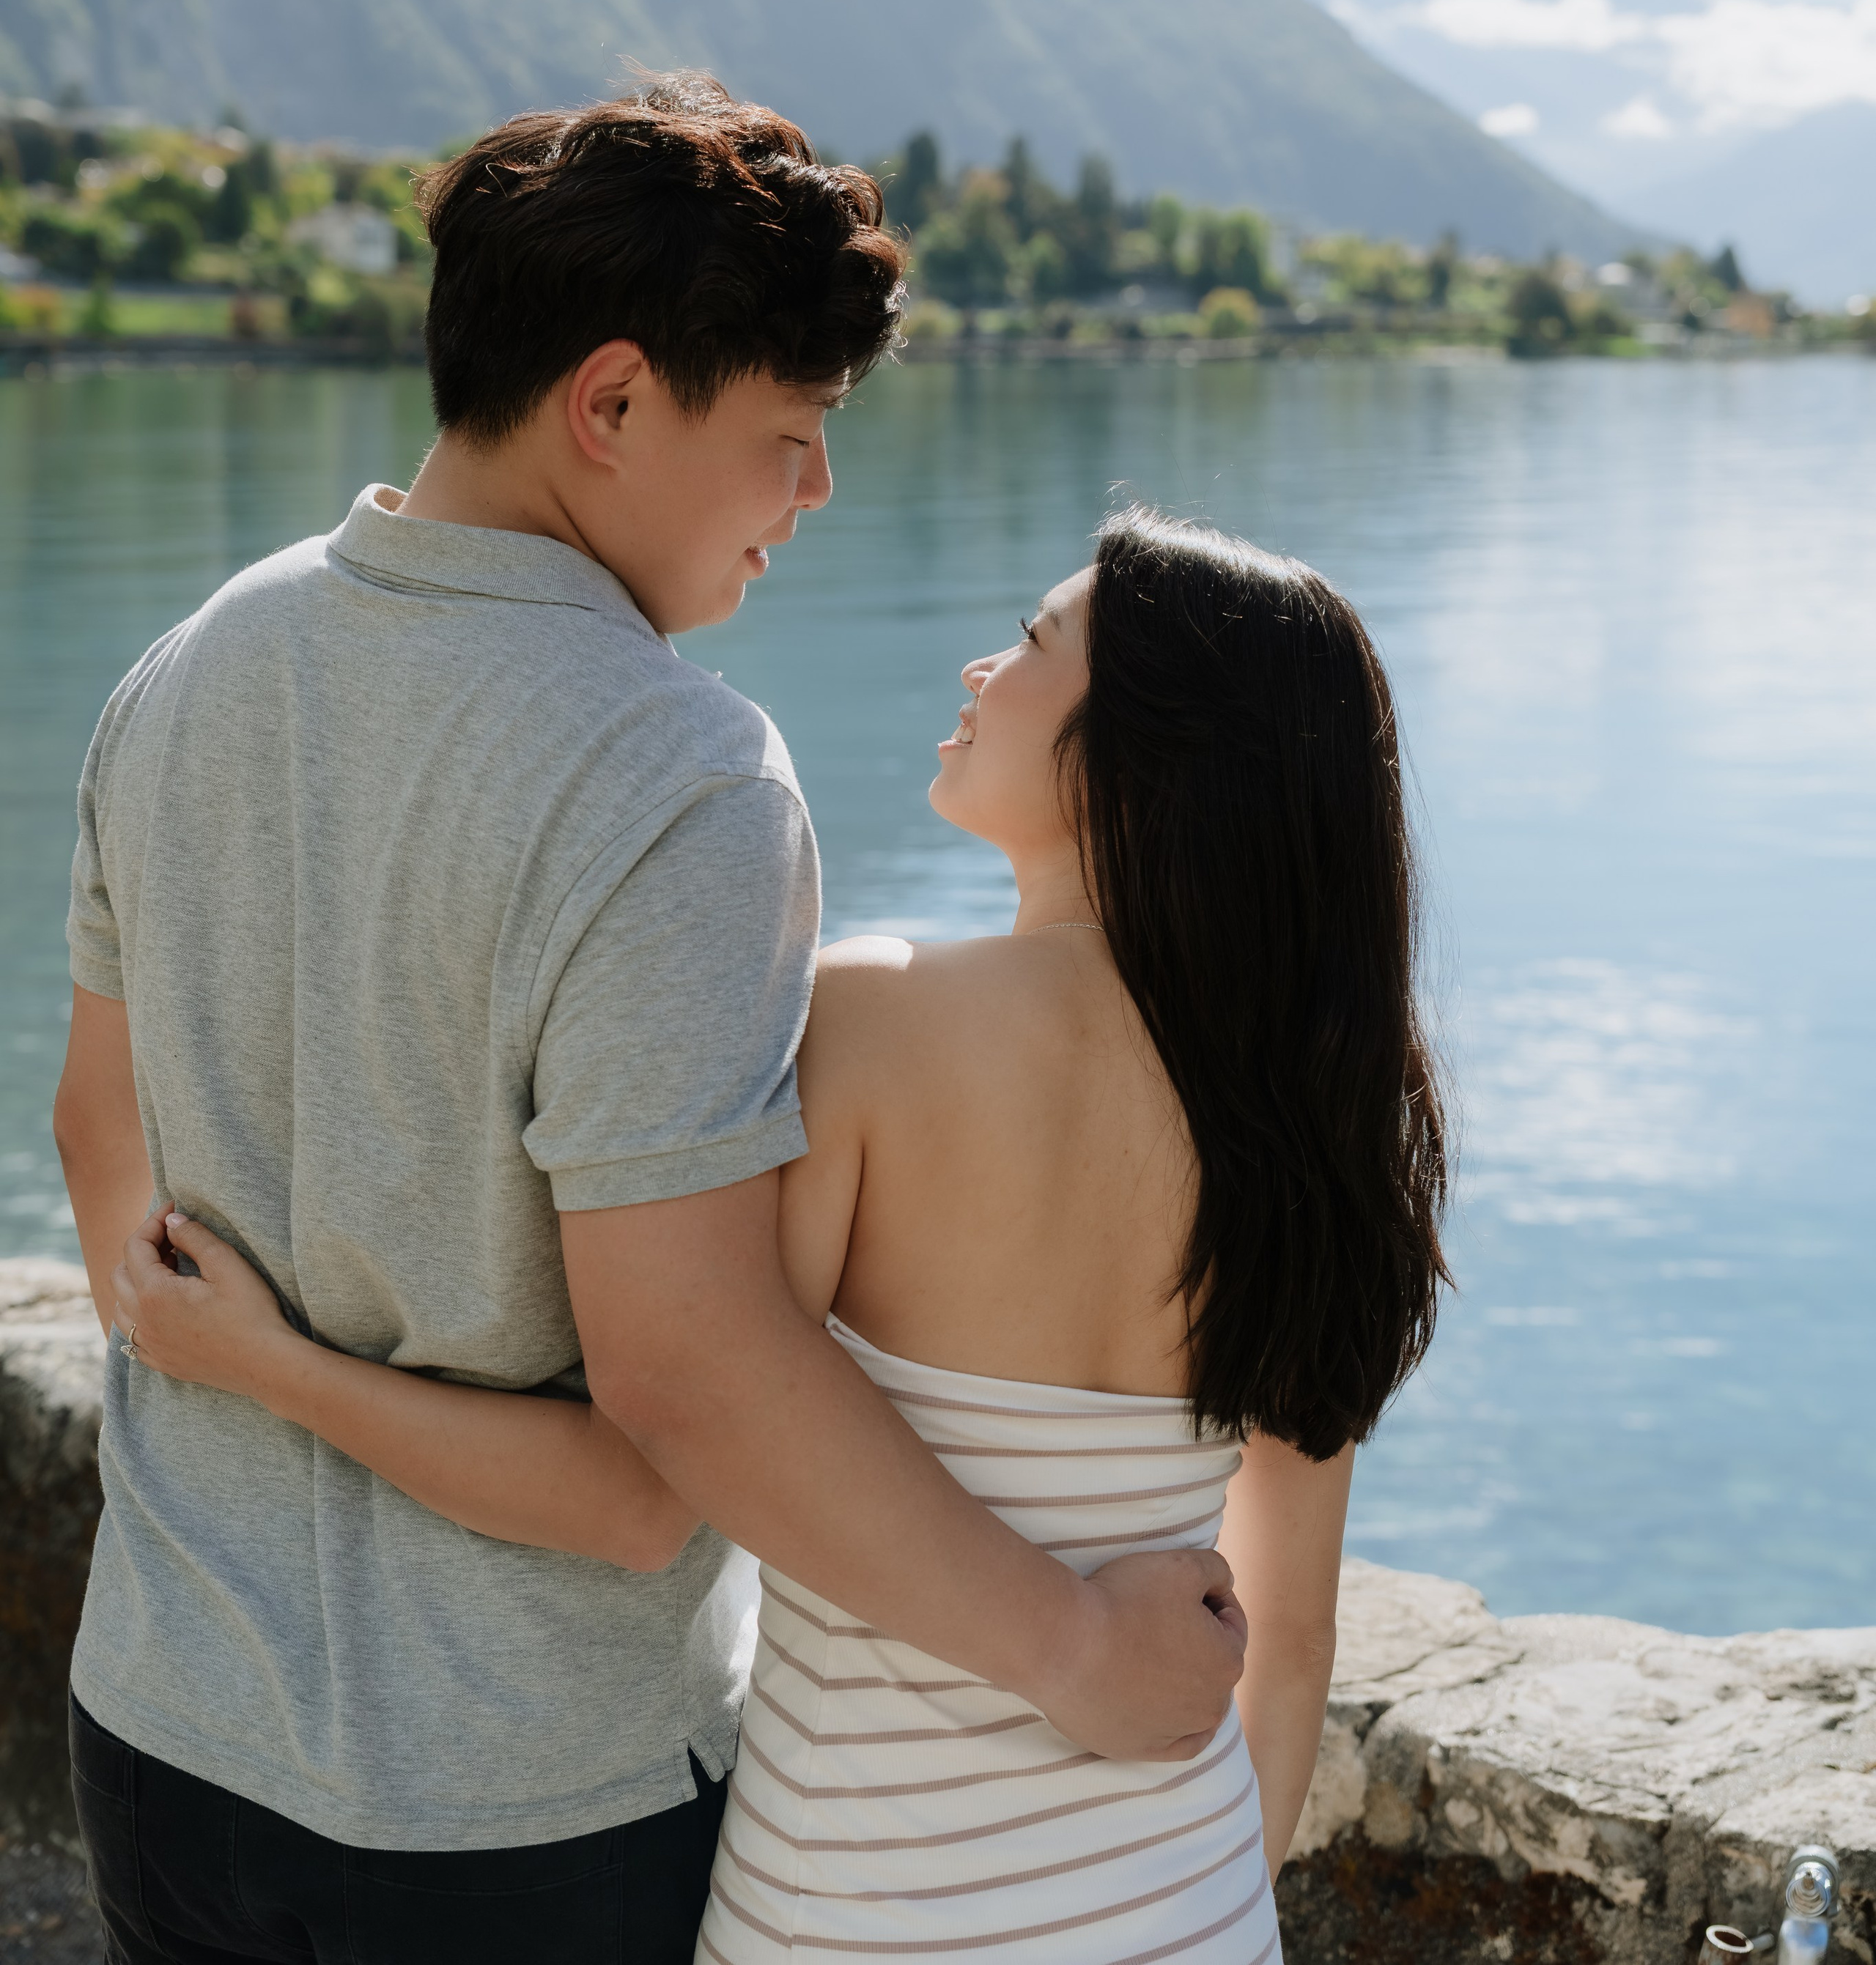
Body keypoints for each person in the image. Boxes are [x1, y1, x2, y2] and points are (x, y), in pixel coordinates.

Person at [52, 85, 1249, 1965]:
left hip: (160, 1729)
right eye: (788, 436)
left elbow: (103, 1165)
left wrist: (269, 1363)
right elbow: (670, 1415)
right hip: (514, 1815)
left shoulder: (180, 669)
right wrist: (1073, 1647)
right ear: (609, 405)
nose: (816, 496)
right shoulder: (678, 777)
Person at [111, 506, 1452, 1962]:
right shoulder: (1326, 1117)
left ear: (1140, 749)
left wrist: (275, 1364)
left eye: (1028, 643)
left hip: (847, 1914)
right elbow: (1291, 1638)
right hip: (1180, 1908)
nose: (975, 668)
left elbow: (662, 1456)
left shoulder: (869, 1025)